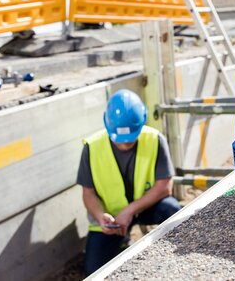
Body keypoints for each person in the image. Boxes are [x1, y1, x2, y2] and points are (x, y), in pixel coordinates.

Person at [77, 90, 181, 275]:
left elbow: (165, 187)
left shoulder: (155, 139)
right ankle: (121, 239)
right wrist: (101, 216)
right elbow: (88, 193)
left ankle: (181, 256)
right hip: (111, 220)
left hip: (145, 209)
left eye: (130, 139)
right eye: (120, 140)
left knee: (171, 209)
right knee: (93, 271)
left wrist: (130, 210)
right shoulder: (92, 147)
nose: (125, 145)